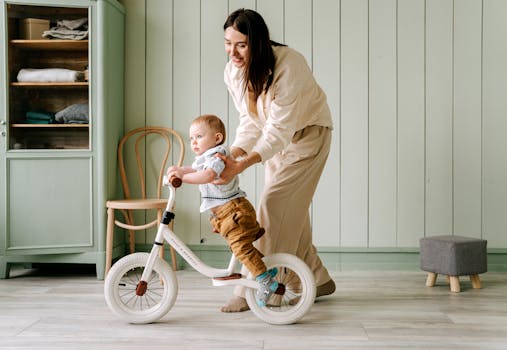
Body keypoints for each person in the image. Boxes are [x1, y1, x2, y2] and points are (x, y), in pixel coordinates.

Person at [217, 8, 336, 312]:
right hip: (278, 142)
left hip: (308, 136)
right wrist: (232, 154)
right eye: (228, 43)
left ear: (258, 42)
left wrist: (245, 162)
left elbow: (279, 130)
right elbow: (250, 120)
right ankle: (316, 278)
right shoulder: (233, 71)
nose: (233, 52)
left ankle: (257, 290)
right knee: (290, 214)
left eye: (241, 45)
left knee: (273, 206)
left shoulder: (289, 64)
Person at [166, 114, 279, 307]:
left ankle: (265, 280)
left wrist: (182, 178)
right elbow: (195, 170)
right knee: (240, 247)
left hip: (234, 211)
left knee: (240, 247)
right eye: (191, 138)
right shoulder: (204, 157)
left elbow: (207, 175)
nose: (194, 142)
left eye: (199, 137)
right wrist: (178, 170)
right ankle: (263, 268)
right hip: (224, 214)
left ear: (217, 138)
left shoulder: (218, 157)